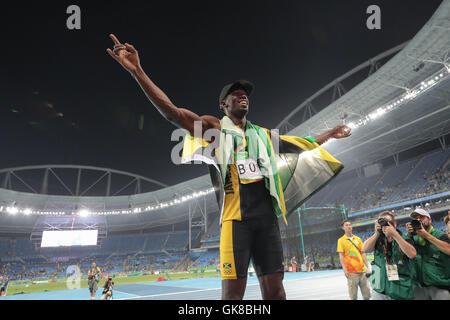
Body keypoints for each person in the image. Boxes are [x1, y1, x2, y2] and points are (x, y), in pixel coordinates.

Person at [107, 34, 351, 300]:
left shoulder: (263, 135)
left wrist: (331, 133)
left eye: (245, 95)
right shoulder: (214, 128)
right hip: (236, 221)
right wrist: (138, 71)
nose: (242, 96)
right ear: (223, 105)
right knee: (233, 296)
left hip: (267, 221)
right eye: (235, 95)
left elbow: (300, 144)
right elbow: (173, 113)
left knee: (277, 291)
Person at [363, 211, 417, 300]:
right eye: (382, 222)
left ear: (394, 224)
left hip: (399, 288)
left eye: (388, 222)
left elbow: (412, 254)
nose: (385, 225)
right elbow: (365, 249)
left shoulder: (404, 238)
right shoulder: (378, 238)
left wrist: (395, 234)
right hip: (379, 286)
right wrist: (376, 233)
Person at [406, 208, 450, 300]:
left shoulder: (440, 235)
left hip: (439, 285)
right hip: (419, 286)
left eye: (421, 217)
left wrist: (426, 235)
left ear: (430, 220)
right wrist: (409, 236)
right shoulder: (413, 238)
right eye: (416, 219)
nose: (418, 220)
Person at [337, 220, 371, 300]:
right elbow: (341, 256)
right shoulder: (341, 240)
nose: (349, 226)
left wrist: (367, 266)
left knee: (367, 295)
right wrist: (345, 270)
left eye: (350, 225)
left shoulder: (358, 239)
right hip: (351, 272)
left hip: (362, 271)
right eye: (346, 225)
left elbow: (363, 253)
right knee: (353, 296)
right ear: (343, 228)